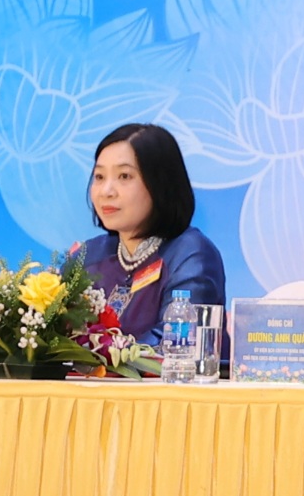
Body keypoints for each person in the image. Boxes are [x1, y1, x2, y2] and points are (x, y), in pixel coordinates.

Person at [81, 122, 226, 341]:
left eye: (124, 176)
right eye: (99, 177)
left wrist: (102, 355)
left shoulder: (192, 255)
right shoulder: (88, 255)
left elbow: (175, 343)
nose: (106, 191)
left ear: (160, 184)